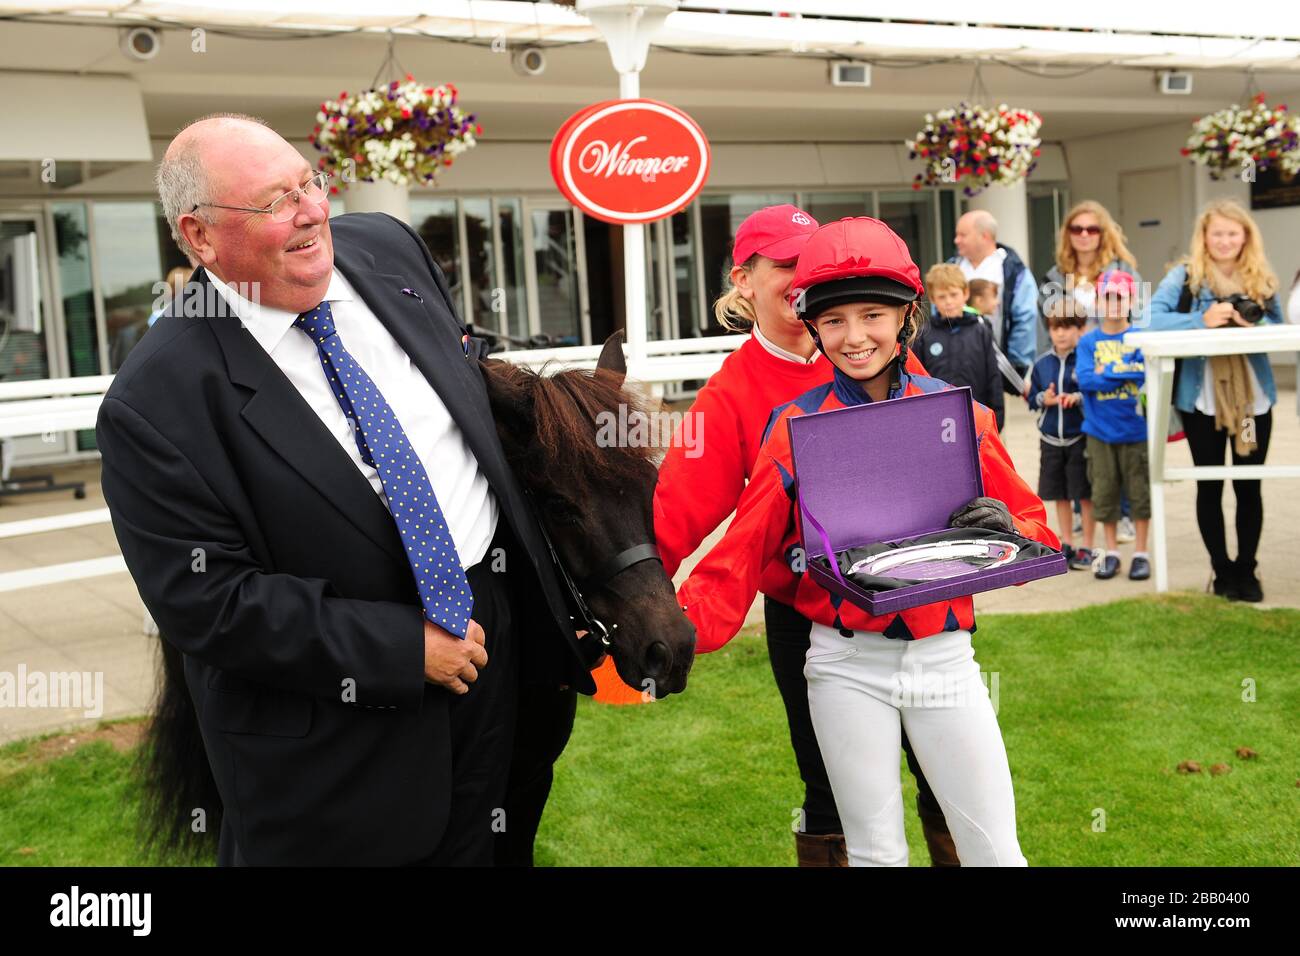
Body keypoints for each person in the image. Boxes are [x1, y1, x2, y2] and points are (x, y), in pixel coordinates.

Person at [96, 113, 593, 865]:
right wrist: (400, 649)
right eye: (274, 203)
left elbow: (468, 418)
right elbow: (207, 603)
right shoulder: (155, 401)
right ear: (199, 236)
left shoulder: (385, 248)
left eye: (311, 182)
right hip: (344, 741)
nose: (312, 212)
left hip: (501, 659)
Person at [676, 217, 1056, 866]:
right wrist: (676, 629)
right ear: (815, 328)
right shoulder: (792, 427)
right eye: (834, 321)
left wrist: (1009, 532)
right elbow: (742, 548)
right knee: (877, 857)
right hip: (843, 666)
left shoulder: (960, 415)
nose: (854, 337)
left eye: (872, 315)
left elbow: (1036, 529)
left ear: (908, 315)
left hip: (944, 660)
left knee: (996, 854)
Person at [650, 206, 956, 867]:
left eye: (807, 264)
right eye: (784, 265)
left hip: (918, 596)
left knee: (945, 772)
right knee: (830, 783)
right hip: (809, 614)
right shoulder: (730, 394)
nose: (799, 279)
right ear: (745, 280)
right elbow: (674, 512)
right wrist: (629, 608)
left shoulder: (870, 351)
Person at [1147, 200, 1283, 601]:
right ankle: (1222, 571)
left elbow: (1279, 325)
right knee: (1209, 485)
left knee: (1248, 485)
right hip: (1201, 402)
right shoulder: (1185, 276)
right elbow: (1151, 318)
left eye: (1233, 233)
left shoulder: (1260, 277)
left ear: (1245, 237)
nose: (1225, 241)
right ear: (1204, 237)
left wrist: (1251, 322)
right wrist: (1198, 319)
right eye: (1217, 233)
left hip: (1250, 406)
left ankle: (1247, 570)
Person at [1075, 270, 1151, 581]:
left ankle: (1142, 553)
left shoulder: (1140, 339)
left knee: (1139, 494)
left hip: (1135, 430)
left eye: (1120, 298)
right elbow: (1086, 380)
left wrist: (1110, 371)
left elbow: (1142, 374)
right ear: (1098, 301)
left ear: (1131, 300)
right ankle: (1112, 553)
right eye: (1108, 298)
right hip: (1099, 431)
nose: (1114, 304)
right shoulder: (1088, 341)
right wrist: (1122, 371)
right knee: (1104, 494)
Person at [1027, 300, 1095, 570]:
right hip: (1050, 440)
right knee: (1061, 494)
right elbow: (1032, 398)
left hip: (1080, 437)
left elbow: (1094, 394)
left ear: (1081, 329)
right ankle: (1066, 542)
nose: (1062, 334)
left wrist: (1076, 398)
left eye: (1068, 327)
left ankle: (1088, 545)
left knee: (1085, 494)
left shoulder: (1087, 359)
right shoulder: (1042, 363)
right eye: (1056, 328)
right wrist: (1046, 398)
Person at [949, 210, 1038, 381]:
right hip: (954, 369)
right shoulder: (952, 268)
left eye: (962, 235)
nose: (956, 240)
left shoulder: (1013, 271)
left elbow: (1026, 317)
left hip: (996, 370)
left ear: (985, 236)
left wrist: (1016, 365)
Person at [915, 263, 1004, 430]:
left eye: (953, 295)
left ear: (965, 294)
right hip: (936, 420)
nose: (949, 301)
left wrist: (997, 420)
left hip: (976, 417)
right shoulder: (924, 335)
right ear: (933, 299)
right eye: (942, 297)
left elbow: (993, 377)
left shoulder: (980, 331)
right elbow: (916, 378)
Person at [1039, 200, 1142, 343]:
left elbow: (1141, 318)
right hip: (1069, 359)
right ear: (1068, 233)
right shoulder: (1054, 278)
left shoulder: (1123, 272)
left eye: (1092, 229)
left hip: (1115, 354)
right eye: (1077, 229)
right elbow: (1045, 330)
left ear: (1103, 234)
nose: (1084, 234)